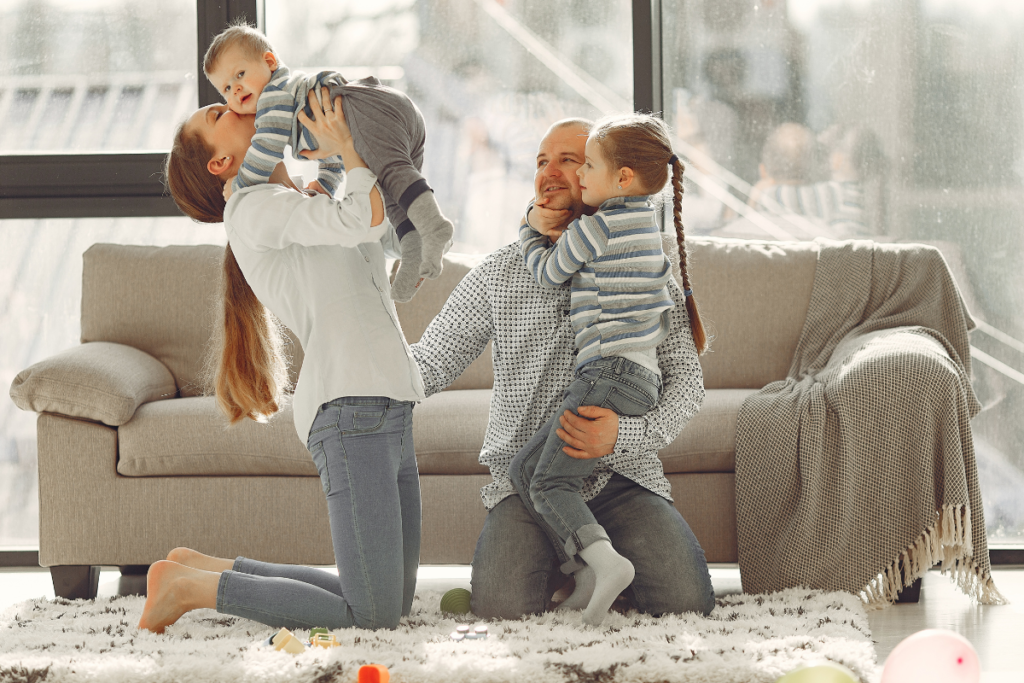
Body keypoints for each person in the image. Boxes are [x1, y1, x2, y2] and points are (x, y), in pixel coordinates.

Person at [140, 86, 425, 633]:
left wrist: (354, 160)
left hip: (390, 400)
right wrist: (351, 152)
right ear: (221, 162)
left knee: (393, 600)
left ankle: (202, 568)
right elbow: (361, 222)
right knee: (374, 615)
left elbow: (383, 235)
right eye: (220, 112)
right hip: (350, 408)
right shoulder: (250, 208)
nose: (239, 103)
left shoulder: (304, 198)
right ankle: (197, 590)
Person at [411, 117, 716, 621]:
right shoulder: (500, 271)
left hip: (620, 476)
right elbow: (431, 361)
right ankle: (577, 565)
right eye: (540, 161)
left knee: (687, 605)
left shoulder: (644, 260)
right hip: (528, 485)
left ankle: (589, 567)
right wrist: (358, 365)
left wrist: (623, 436)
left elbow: (686, 380)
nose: (548, 173)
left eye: (569, 161)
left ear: (606, 176)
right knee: (503, 609)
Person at [509, 113, 707, 626]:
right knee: (525, 472)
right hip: (636, 379)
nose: (571, 177)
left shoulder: (597, 228)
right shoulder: (647, 226)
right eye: (543, 163)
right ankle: (586, 567)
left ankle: (601, 565)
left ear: (620, 177)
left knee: (548, 483)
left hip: (607, 377)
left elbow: (551, 273)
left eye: (581, 165)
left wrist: (531, 231)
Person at [204, 22, 453, 301]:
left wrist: (240, 184)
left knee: (393, 174)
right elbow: (333, 156)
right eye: (226, 88)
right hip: (385, 113)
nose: (235, 90)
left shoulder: (273, 97)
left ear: (269, 62)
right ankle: (413, 244)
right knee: (392, 192)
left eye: (240, 74)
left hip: (366, 108)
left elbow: (266, 147)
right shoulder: (295, 103)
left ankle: (434, 226)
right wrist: (325, 184)